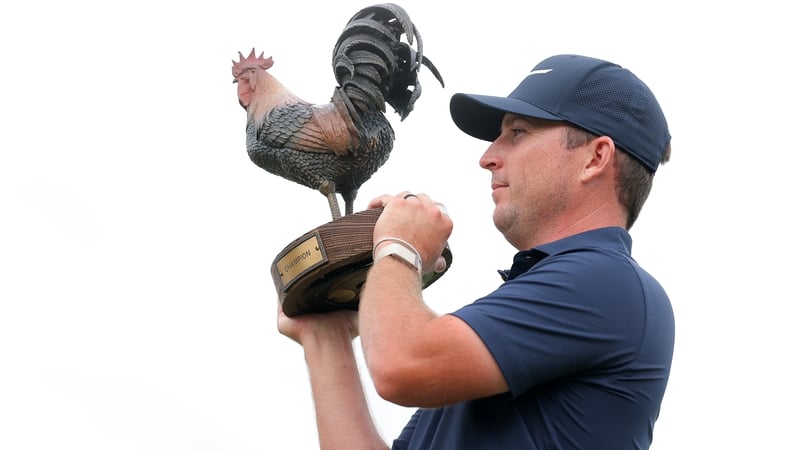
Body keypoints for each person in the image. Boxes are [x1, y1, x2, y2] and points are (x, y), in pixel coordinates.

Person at [277, 54, 675, 449]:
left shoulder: (606, 282)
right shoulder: (530, 307)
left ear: (595, 158)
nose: (487, 158)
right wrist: (324, 337)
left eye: (518, 133)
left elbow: (401, 365)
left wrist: (399, 247)